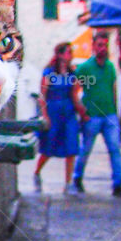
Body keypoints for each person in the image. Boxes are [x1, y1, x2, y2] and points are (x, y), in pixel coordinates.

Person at [72, 29, 121, 198]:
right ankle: (77, 178)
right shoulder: (84, 68)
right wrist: (82, 112)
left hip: (110, 115)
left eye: (105, 45)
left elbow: (113, 90)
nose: (102, 48)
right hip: (92, 117)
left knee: (114, 150)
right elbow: (74, 91)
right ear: (93, 47)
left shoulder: (111, 67)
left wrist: (116, 113)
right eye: (99, 45)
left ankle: (118, 184)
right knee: (86, 149)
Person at [33, 42, 88, 194]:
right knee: (49, 148)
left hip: (68, 112)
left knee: (71, 147)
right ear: (60, 55)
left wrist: (81, 111)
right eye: (68, 52)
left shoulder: (72, 73)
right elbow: (42, 95)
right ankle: (37, 172)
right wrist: (44, 115)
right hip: (53, 112)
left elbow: (75, 94)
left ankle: (68, 183)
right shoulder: (49, 73)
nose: (71, 56)